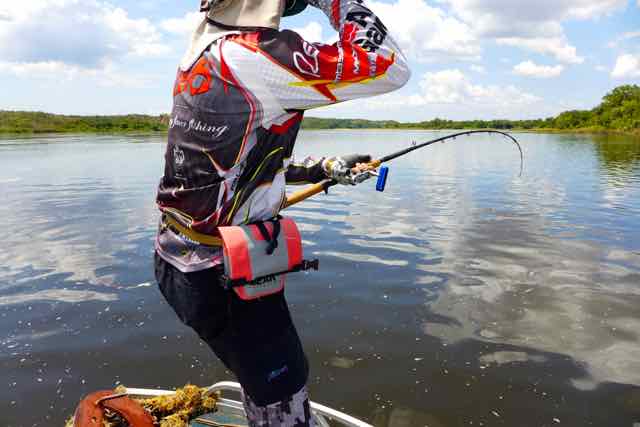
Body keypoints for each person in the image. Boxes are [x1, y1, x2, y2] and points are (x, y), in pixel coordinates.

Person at [154, 0, 410, 425]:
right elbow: (388, 65)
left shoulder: (204, 51)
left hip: (178, 262)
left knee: (261, 377)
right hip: (226, 277)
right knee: (281, 389)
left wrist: (321, 169)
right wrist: (337, 4)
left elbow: (229, 164)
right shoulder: (256, 53)